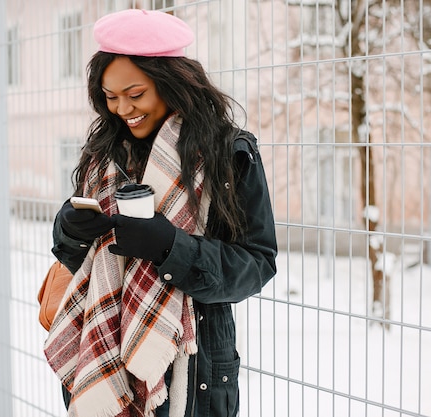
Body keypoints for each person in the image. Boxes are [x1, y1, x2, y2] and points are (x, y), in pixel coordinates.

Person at [44, 9, 277, 417]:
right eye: (111, 97)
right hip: (102, 354)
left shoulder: (228, 152)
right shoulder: (106, 153)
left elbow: (257, 264)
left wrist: (172, 248)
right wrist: (71, 229)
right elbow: (82, 261)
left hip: (192, 367)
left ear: (172, 83)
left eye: (135, 94)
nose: (122, 109)